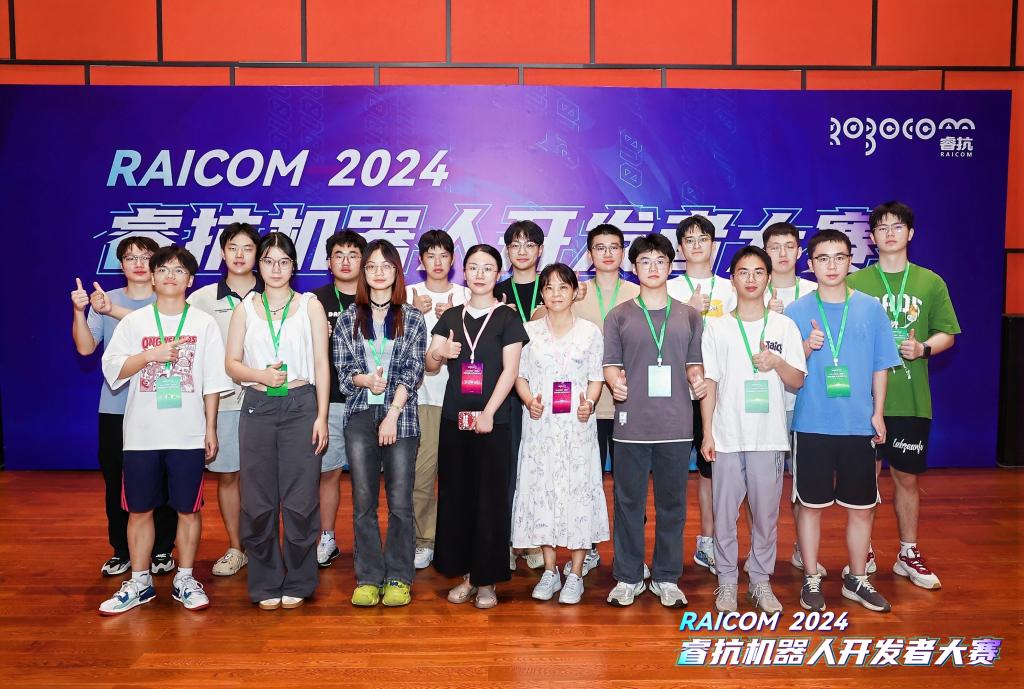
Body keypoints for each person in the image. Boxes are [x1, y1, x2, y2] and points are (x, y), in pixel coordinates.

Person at [98, 246, 232, 614]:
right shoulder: (134, 323)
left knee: (188, 510)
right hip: (141, 435)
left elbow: (212, 382)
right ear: (153, 277)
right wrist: (149, 356)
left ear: (190, 280)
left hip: (188, 433)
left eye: (179, 270)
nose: (170, 275)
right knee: (139, 510)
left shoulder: (203, 324)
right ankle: (139, 581)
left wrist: (211, 428)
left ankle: (185, 578)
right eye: (163, 269)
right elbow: (113, 371)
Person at [785, 229, 901, 613]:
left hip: (858, 424)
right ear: (810, 264)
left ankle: (857, 577)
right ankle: (811, 577)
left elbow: (881, 364)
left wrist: (878, 412)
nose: (831, 266)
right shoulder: (796, 311)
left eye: (839, 257)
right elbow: (787, 369)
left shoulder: (870, 308)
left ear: (851, 260)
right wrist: (807, 347)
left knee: (861, 507)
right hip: (812, 423)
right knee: (810, 506)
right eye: (823, 258)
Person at [847, 201, 960, 589]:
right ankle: (864, 551)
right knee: (865, 479)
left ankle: (907, 553)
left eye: (897, 226)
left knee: (907, 478)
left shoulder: (930, 282)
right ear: (872, 237)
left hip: (910, 399)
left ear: (910, 233)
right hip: (863, 402)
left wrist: (923, 348)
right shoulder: (855, 283)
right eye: (882, 228)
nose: (890, 233)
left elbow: (948, 333)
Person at [225, 232, 330, 611]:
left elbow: (321, 363)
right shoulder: (245, 309)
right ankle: (265, 581)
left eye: (284, 262)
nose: (276, 269)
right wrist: (261, 375)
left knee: (301, 500)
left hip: (302, 406)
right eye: (269, 261)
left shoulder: (310, 306)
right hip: (258, 407)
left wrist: (321, 416)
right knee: (258, 500)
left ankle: (300, 579)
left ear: (293, 266)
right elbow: (231, 364)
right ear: (259, 265)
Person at [699, 246, 806, 614]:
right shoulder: (716, 326)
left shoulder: (783, 326)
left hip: (768, 436)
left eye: (758, 272)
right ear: (732, 279)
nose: (751, 279)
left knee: (765, 517)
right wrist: (707, 432)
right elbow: (710, 382)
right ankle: (727, 582)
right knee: (724, 516)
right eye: (743, 272)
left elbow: (798, 380)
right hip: (727, 435)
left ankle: (760, 580)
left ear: (768, 278)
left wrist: (776, 362)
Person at [604, 233, 707, 608]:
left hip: (676, 425)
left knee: (673, 506)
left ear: (670, 265)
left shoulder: (689, 315)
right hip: (631, 425)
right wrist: (614, 382)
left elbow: (694, 363)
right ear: (633, 267)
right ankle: (628, 576)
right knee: (628, 504)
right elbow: (611, 364)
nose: (653, 268)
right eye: (645, 261)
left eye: (660, 261)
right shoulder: (619, 315)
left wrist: (697, 378)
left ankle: (666, 576)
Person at [427, 244, 529, 609]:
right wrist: (440, 353)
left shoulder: (507, 318)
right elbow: (430, 363)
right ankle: (467, 576)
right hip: (455, 420)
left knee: (491, 500)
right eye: (473, 267)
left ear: (498, 273)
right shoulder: (451, 316)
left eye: (488, 268)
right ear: (464, 272)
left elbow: (511, 371)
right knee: (457, 498)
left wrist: (488, 412)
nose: (480, 274)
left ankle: (488, 581)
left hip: (494, 421)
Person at [71, 235, 178, 578]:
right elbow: (86, 348)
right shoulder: (106, 299)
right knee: (115, 479)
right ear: (121, 265)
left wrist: (110, 310)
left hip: (162, 405)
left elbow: (158, 334)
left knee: (164, 476)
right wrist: (80, 311)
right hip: (116, 407)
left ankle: (162, 548)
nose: (138, 264)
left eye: (146, 257)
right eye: (130, 258)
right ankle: (121, 550)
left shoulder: (168, 296)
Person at [335, 239, 427, 607]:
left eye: (385, 266)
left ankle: (399, 577)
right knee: (363, 503)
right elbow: (344, 372)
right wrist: (365, 380)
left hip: (399, 418)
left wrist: (391, 414)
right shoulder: (348, 318)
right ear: (364, 273)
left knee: (400, 502)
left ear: (396, 273)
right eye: (371, 266)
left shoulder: (413, 317)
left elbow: (413, 370)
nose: (378, 272)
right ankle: (369, 578)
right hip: (359, 415)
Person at [511, 263, 610, 605]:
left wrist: (590, 403)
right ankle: (550, 570)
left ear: (574, 292)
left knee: (577, 492)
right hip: (540, 427)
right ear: (542, 293)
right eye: (549, 288)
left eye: (563, 287)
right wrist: (529, 401)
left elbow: (596, 377)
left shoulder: (590, 332)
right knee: (543, 491)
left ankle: (576, 573)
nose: (556, 294)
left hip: (577, 427)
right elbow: (520, 375)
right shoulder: (529, 331)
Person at [551, 224, 638, 581]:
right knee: (586, 483)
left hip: (629, 403)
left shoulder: (637, 292)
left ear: (623, 253)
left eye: (614, 247)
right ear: (589, 254)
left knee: (629, 486)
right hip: (585, 407)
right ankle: (587, 551)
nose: (607, 253)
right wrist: (570, 295)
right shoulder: (577, 292)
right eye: (599, 248)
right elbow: (542, 320)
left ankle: (630, 556)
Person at [186, 222, 263, 577]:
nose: (240, 255)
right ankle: (236, 548)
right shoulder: (201, 299)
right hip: (226, 402)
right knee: (229, 475)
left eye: (248, 248)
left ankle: (264, 546)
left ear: (258, 254)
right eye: (233, 248)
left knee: (265, 478)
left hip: (269, 399)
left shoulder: (275, 293)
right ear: (222, 253)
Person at [665, 215, 736, 575]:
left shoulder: (730, 288)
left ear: (713, 244)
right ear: (680, 248)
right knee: (672, 472)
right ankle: (667, 551)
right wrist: (689, 313)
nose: (696, 245)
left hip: (718, 390)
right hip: (676, 390)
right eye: (689, 240)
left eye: (703, 239)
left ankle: (708, 541)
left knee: (712, 470)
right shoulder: (669, 287)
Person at [760, 221, 823, 577]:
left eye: (789, 246)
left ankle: (802, 548)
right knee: (763, 486)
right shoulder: (752, 288)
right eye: (774, 247)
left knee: (803, 483)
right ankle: (762, 552)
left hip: (804, 403)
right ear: (765, 252)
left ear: (800, 252)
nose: (782, 253)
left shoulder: (815, 290)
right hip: (764, 404)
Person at [405, 229, 465, 570]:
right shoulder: (408, 296)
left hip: (462, 398)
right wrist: (412, 313)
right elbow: (395, 346)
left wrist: (458, 315)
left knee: (460, 475)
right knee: (422, 475)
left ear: (453, 259)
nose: (438, 262)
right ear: (421, 260)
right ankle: (424, 539)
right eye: (431, 255)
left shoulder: (467, 295)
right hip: (423, 397)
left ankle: (456, 538)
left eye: (444, 255)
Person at [311, 230, 367, 568]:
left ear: (364, 261)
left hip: (369, 401)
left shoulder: (377, 297)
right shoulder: (314, 301)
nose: (345, 261)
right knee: (328, 473)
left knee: (366, 478)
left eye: (353, 255)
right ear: (328, 262)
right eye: (338, 255)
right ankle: (327, 537)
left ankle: (366, 541)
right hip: (329, 400)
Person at [493, 220, 547, 571]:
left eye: (529, 245)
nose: (522, 251)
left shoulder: (554, 288)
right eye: (515, 245)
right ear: (507, 251)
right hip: (506, 392)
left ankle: (535, 541)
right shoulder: (496, 291)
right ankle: (508, 542)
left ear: (540, 250)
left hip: (543, 391)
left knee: (540, 468)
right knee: (506, 467)